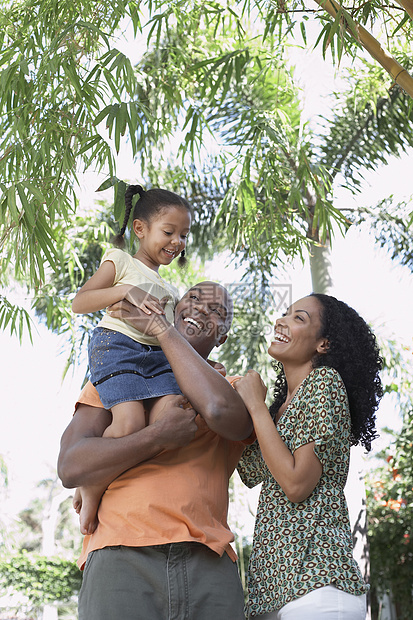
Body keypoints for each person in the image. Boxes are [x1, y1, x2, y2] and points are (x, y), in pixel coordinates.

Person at [58, 281, 254, 620]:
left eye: (216, 311)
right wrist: (156, 437)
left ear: (222, 335)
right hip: (120, 557)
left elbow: (223, 413)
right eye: (193, 298)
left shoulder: (232, 387)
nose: (200, 309)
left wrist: (163, 331)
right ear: (176, 308)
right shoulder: (116, 378)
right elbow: (71, 466)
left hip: (208, 561)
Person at [234, 293, 383, 619]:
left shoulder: (324, 383)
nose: (282, 321)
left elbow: (297, 483)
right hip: (272, 593)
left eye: (299, 318)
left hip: (318, 584)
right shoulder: (279, 410)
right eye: (285, 313)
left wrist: (256, 407)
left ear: (324, 344)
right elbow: (248, 471)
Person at [71, 184, 192, 534]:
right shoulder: (120, 260)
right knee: (128, 425)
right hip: (118, 347)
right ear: (140, 229)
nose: (177, 241)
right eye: (169, 232)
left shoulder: (168, 289)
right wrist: (125, 289)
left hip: (156, 358)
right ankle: (92, 487)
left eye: (183, 235)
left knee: (173, 414)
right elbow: (81, 302)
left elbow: (172, 337)